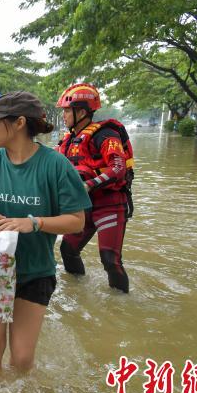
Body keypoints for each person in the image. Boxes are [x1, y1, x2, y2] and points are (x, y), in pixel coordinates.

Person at [0, 91, 91, 373]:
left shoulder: (56, 166)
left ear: (19, 123)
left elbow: (77, 221)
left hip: (35, 273)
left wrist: (34, 223)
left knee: (22, 358)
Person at [55, 83, 134, 293]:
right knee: (68, 249)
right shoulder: (68, 140)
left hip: (109, 204)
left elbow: (118, 168)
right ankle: (78, 292)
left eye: (66, 111)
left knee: (110, 259)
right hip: (84, 206)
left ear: (81, 111)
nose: (63, 115)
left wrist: (88, 185)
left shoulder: (105, 135)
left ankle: (120, 305)